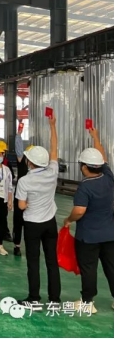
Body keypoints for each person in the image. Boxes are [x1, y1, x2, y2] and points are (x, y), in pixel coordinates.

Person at [63, 127, 113, 313]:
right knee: (111, 267)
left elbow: (79, 211)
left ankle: (88, 302)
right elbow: (102, 157)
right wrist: (95, 137)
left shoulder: (85, 187)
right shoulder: (109, 177)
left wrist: (68, 220)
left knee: (89, 268)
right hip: (109, 233)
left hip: (88, 237)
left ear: (84, 167)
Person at [15, 115, 61, 307]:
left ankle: (34, 297)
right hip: (50, 222)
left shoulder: (24, 181)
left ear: (29, 162)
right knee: (52, 261)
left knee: (33, 262)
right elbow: (54, 149)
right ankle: (55, 299)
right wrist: (52, 126)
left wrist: (28, 204)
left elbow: (21, 206)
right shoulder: (52, 172)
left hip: (33, 224)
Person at [0, 143, 14, 256]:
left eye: (0, 154)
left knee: (1, 223)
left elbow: (9, 186)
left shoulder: (7, 170)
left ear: (3, 155)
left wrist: (10, 200)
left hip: (3, 199)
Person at [12, 128, 29, 257]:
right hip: (20, 197)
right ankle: (17, 245)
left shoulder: (39, 168)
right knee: (18, 222)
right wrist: (18, 135)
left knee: (30, 223)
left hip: (32, 198)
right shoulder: (22, 163)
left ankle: (30, 244)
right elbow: (19, 150)